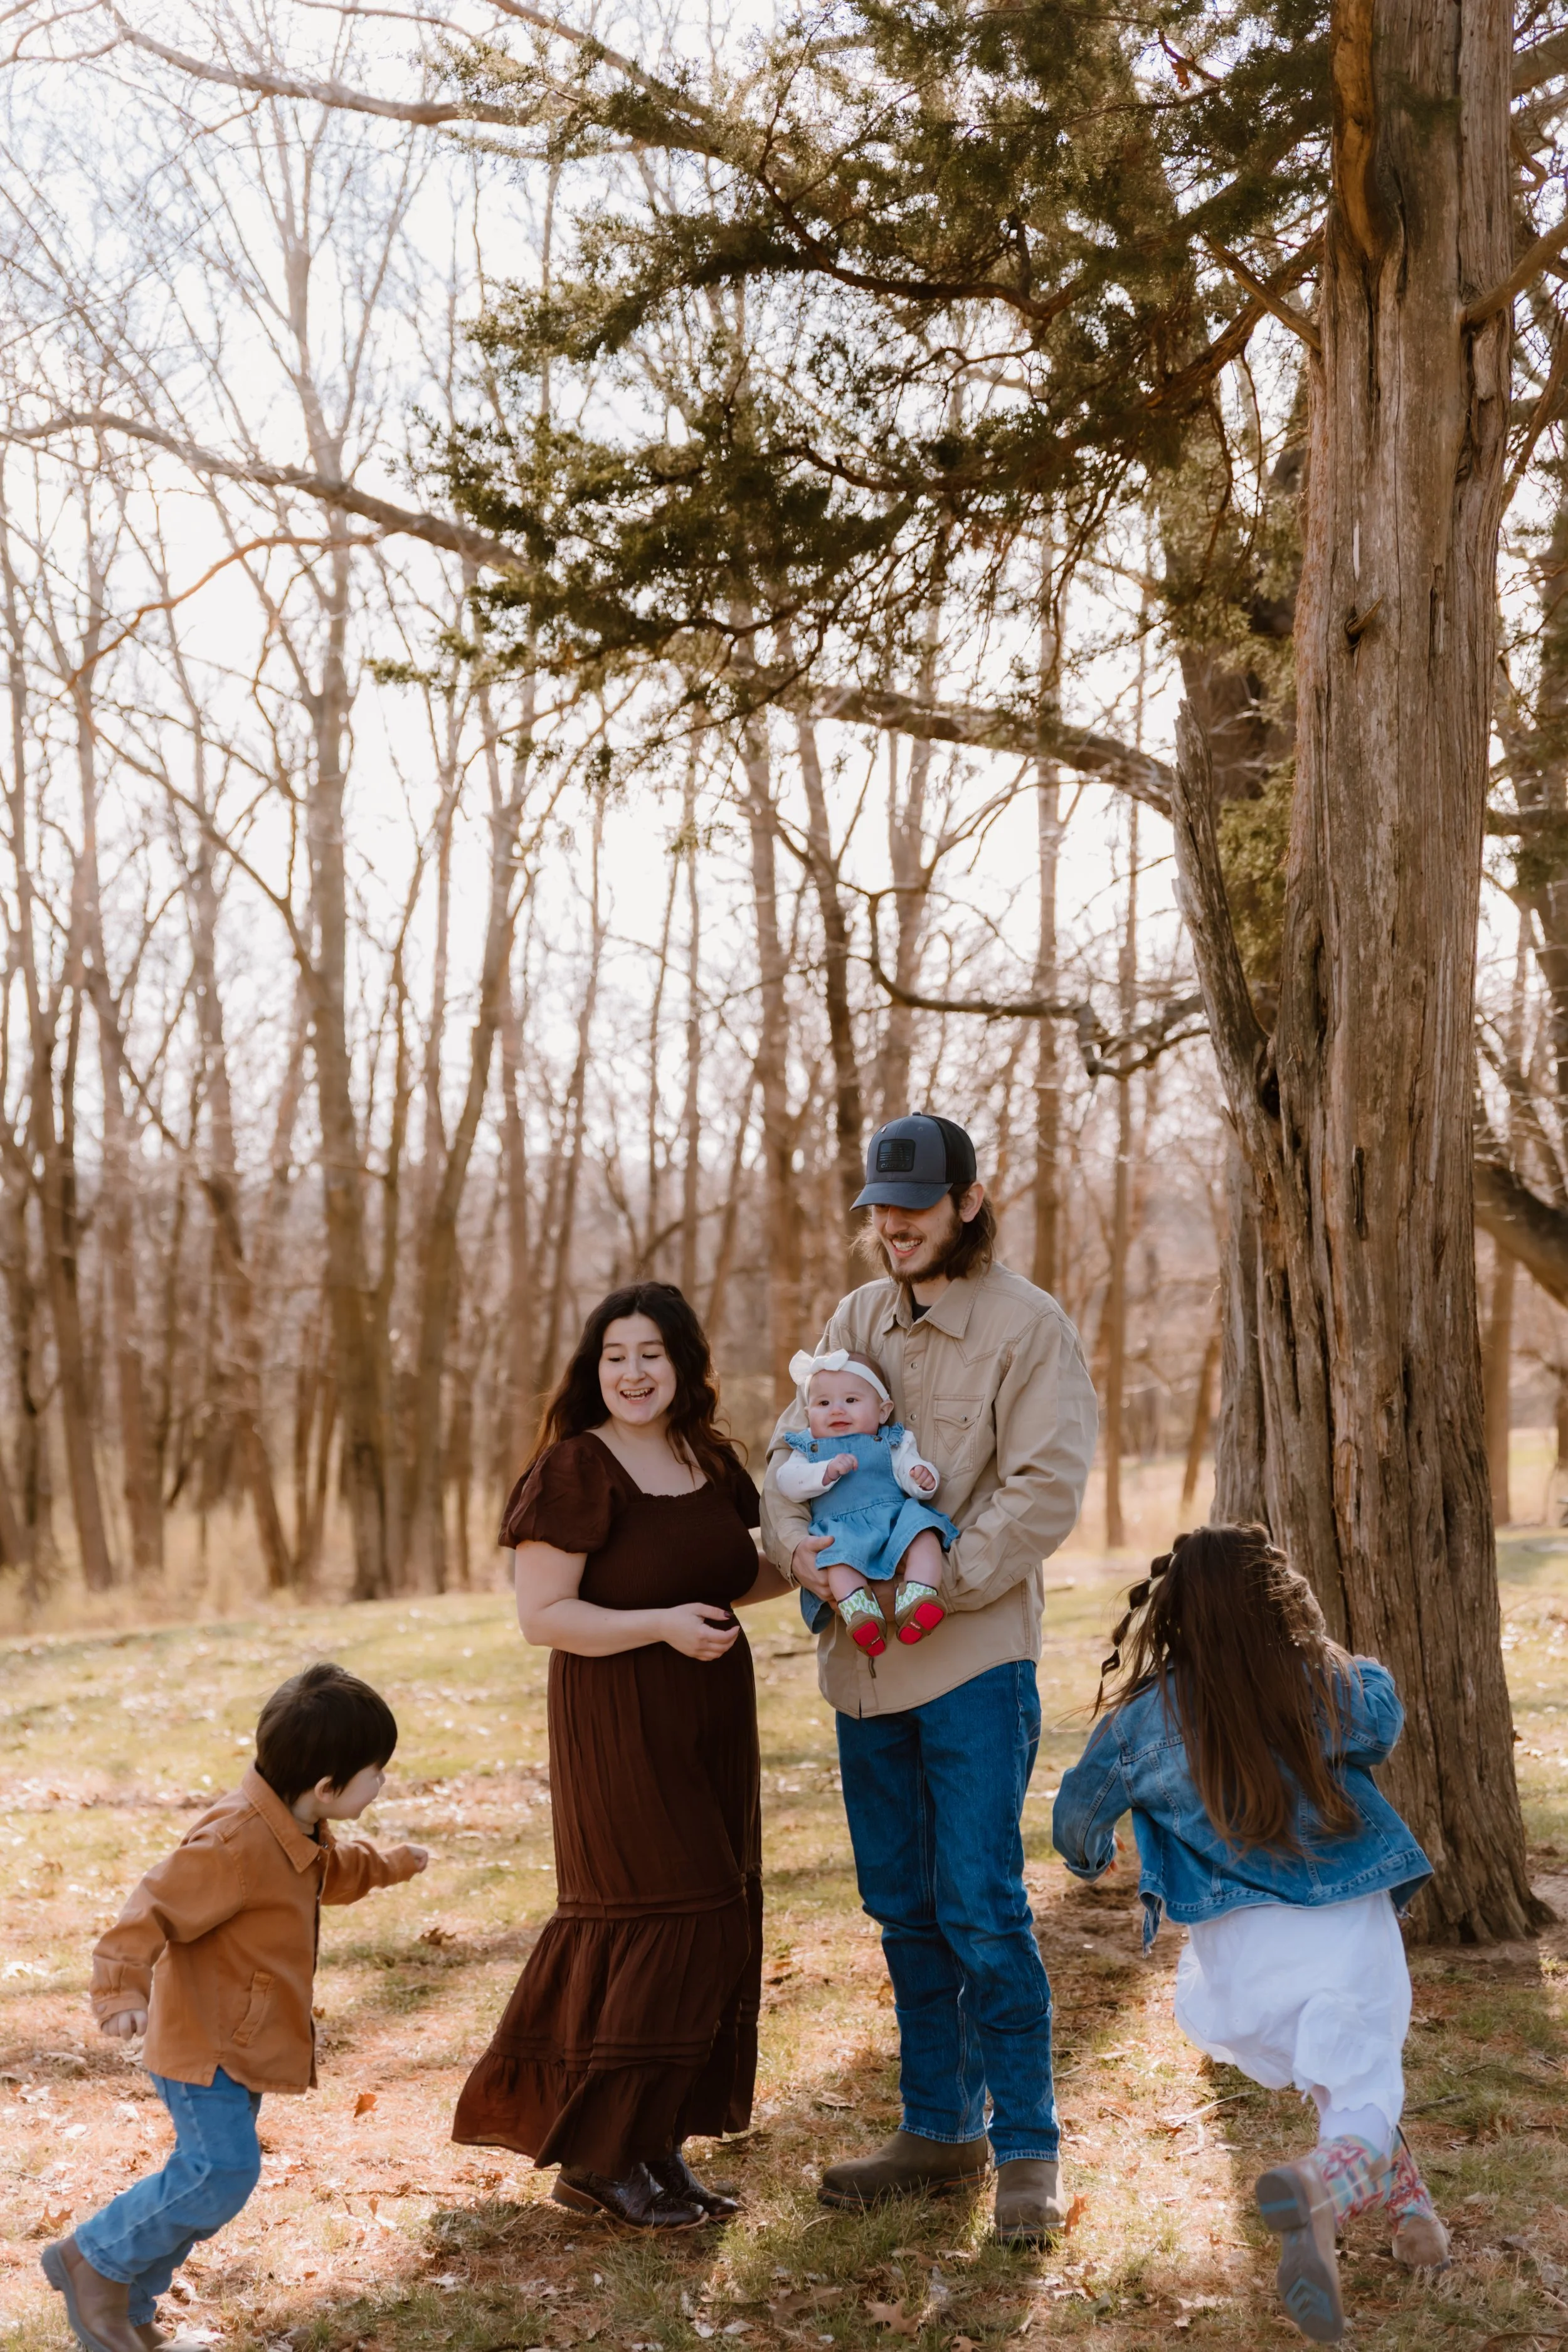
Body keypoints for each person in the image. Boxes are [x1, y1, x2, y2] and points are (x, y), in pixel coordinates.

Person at [761, 1112, 1097, 2245]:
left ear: (964, 1200)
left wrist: (932, 1580)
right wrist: (803, 1554)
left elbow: (1045, 1489)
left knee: (984, 1910)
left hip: (968, 1667)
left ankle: (1028, 2153)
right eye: (878, 1208)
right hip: (860, 1674)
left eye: (911, 1204)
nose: (892, 1224)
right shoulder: (856, 1318)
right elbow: (783, 1462)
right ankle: (938, 2129)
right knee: (902, 1909)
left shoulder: (1027, 1327)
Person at [1052, 1524, 1448, 2346]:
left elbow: (1077, 1820)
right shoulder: (1318, 1682)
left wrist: (1093, 1858)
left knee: (1339, 2077)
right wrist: (1323, 1645)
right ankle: (1317, 2188)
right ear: (1281, 1601)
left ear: (1171, 1615)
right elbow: (1382, 1718)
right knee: (1366, 2089)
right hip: (1341, 1928)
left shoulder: (1139, 1720)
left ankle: (1412, 2216)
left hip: (1237, 1958)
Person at [453, 1281, 788, 2230]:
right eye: (616, 1355)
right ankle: (598, 2157)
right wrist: (662, 1629)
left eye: (651, 1353)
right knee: (669, 1916)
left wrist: (828, 1575)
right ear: (594, 1367)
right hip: (620, 1713)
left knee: (719, 1915)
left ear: (684, 1362)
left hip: (712, 1708)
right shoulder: (576, 1467)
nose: (633, 1372)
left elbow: (736, 1571)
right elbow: (543, 1616)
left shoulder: (706, 1456)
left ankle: (651, 2144)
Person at [42, 1666, 428, 2352]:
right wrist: (119, 1992)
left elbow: (331, 1876)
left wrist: (391, 1864)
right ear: (327, 1788)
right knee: (220, 2173)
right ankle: (91, 2260)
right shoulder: (233, 1843)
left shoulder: (297, 1828)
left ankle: (129, 2308)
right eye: (378, 1773)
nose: (385, 1783)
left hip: (240, 2043)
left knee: (216, 2185)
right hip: (203, 2046)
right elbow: (149, 1909)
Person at [775, 1346, 955, 1655]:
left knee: (925, 1534)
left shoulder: (893, 1440)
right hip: (842, 1528)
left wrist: (922, 1477)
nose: (836, 1410)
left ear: (883, 1411)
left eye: (851, 1401)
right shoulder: (807, 1448)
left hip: (892, 1520)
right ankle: (860, 1612)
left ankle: (920, 1594)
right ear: (808, 1415)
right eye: (823, 1403)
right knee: (837, 1561)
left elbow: (908, 1469)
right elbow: (787, 1482)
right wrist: (825, 1472)